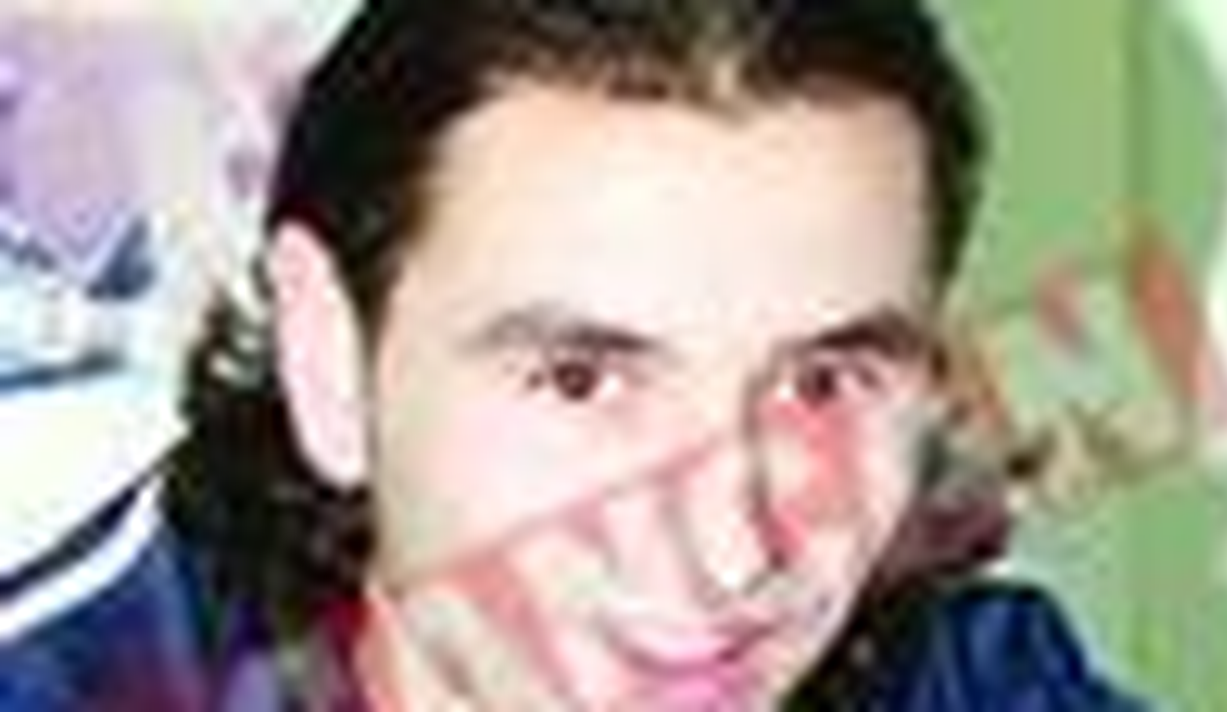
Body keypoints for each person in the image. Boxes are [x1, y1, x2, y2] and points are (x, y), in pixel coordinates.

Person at [1, 0, 1146, 709]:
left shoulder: (966, 681)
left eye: (823, 383)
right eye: (580, 380)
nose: (730, 557)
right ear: (330, 363)